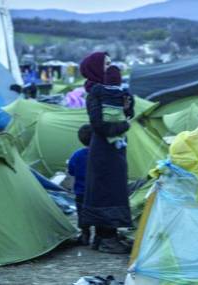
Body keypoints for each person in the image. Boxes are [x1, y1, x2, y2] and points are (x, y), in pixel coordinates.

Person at [80, 52, 134, 254]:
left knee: (113, 189)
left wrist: (127, 107)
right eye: (106, 64)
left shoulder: (113, 91)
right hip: (103, 150)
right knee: (106, 191)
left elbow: (125, 113)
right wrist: (124, 125)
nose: (111, 68)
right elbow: (99, 125)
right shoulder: (95, 92)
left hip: (115, 149)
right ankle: (106, 239)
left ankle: (106, 235)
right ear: (95, 68)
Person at [68, 124, 92, 245]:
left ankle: (85, 234)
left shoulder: (76, 155)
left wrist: (72, 189)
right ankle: (100, 235)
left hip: (81, 192)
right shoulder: (100, 154)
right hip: (97, 192)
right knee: (98, 214)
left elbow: (71, 172)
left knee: (82, 215)